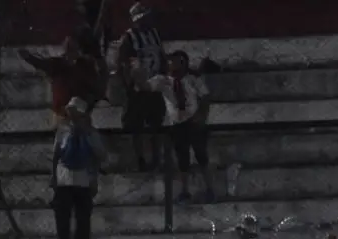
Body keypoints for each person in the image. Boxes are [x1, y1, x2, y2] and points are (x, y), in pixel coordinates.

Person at [142, 50, 214, 204]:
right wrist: (137, 71)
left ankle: (210, 189)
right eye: (172, 62)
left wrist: (201, 116)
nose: (174, 65)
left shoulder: (193, 79)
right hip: (177, 124)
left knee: (202, 156)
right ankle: (185, 191)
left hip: (194, 122)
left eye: (178, 62)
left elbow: (205, 97)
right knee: (182, 159)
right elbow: (145, 86)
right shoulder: (163, 81)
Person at [52, 97, 107, 239]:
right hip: (64, 179)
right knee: (62, 216)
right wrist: (53, 177)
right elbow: (56, 155)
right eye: (71, 114)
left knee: (83, 217)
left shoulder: (91, 133)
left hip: (83, 180)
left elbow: (101, 155)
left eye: (76, 114)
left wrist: (86, 135)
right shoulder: (62, 131)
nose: (73, 118)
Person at [116, 3, 165, 170]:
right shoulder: (128, 38)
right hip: (137, 90)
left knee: (156, 125)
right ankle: (140, 160)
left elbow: (161, 55)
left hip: (155, 86)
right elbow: (122, 64)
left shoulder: (154, 34)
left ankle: (156, 158)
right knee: (136, 127)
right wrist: (130, 85)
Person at [19, 36, 105, 124]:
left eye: (74, 48)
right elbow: (41, 64)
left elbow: (94, 87)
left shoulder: (85, 66)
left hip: (81, 111)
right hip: (62, 111)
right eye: (69, 48)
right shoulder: (57, 64)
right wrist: (28, 57)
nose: (71, 51)